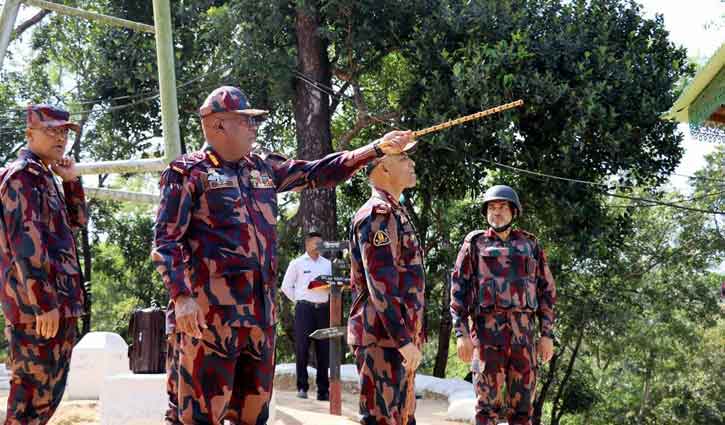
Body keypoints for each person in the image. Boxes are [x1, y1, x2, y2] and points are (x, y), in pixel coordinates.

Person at [151, 85, 412, 424]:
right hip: (207, 321)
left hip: (259, 322)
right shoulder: (188, 173)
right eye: (245, 121)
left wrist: (374, 149)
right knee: (196, 418)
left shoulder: (262, 168)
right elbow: (165, 242)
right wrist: (181, 296)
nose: (253, 128)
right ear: (217, 125)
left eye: (253, 121)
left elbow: (318, 172)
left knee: (254, 417)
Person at [0, 104, 87, 425]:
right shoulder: (22, 178)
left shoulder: (45, 177)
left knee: (47, 399)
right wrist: (43, 302)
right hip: (36, 311)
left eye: (64, 132)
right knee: (28, 403)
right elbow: (25, 244)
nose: (60, 138)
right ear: (29, 134)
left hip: (59, 306)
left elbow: (76, 222)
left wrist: (70, 182)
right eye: (51, 130)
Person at [450, 185, 556, 425]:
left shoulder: (530, 245)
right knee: (486, 409)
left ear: (514, 212)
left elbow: (546, 291)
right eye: (491, 208)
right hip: (487, 342)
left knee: (523, 410)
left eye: (502, 207)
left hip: (524, 342)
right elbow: (459, 291)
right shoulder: (474, 244)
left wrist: (547, 335)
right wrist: (461, 333)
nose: (496, 213)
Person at [347, 151, 425, 425]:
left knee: (402, 417)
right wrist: (403, 339)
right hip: (382, 338)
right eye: (404, 159)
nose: (412, 163)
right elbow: (380, 284)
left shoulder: (394, 211)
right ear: (384, 169)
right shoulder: (377, 214)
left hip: (395, 338)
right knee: (382, 418)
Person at [281, 229, 332, 400]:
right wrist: (300, 299)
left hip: (323, 309)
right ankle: (302, 387)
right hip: (305, 310)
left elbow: (333, 284)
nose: (318, 246)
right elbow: (286, 286)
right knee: (302, 348)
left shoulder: (327, 264)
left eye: (320, 243)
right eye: (315, 242)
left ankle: (323, 390)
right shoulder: (297, 263)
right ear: (307, 244)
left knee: (323, 350)